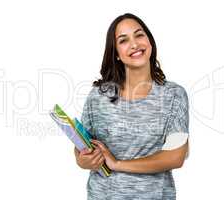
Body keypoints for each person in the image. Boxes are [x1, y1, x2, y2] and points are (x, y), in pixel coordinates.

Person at [74, 13, 189, 200]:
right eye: (123, 40)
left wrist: (117, 163)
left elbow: (175, 157)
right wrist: (83, 160)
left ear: (150, 41)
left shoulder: (174, 95)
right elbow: (84, 144)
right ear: (116, 54)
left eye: (139, 35)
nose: (134, 44)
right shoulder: (99, 96)